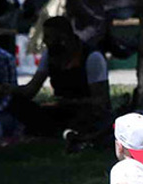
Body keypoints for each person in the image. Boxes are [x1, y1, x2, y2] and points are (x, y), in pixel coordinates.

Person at [7, 16, 110, 147]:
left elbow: (101, 101)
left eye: (49, 37)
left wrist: (71, 102)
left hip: (84, 112)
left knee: (86, 118)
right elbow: (31, 90)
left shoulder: (92, 57)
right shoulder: (49, 56)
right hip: (61, 111)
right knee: (19, 104)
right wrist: (11, 90)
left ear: (64, 39)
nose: (45, 41)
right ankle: (57, 133)